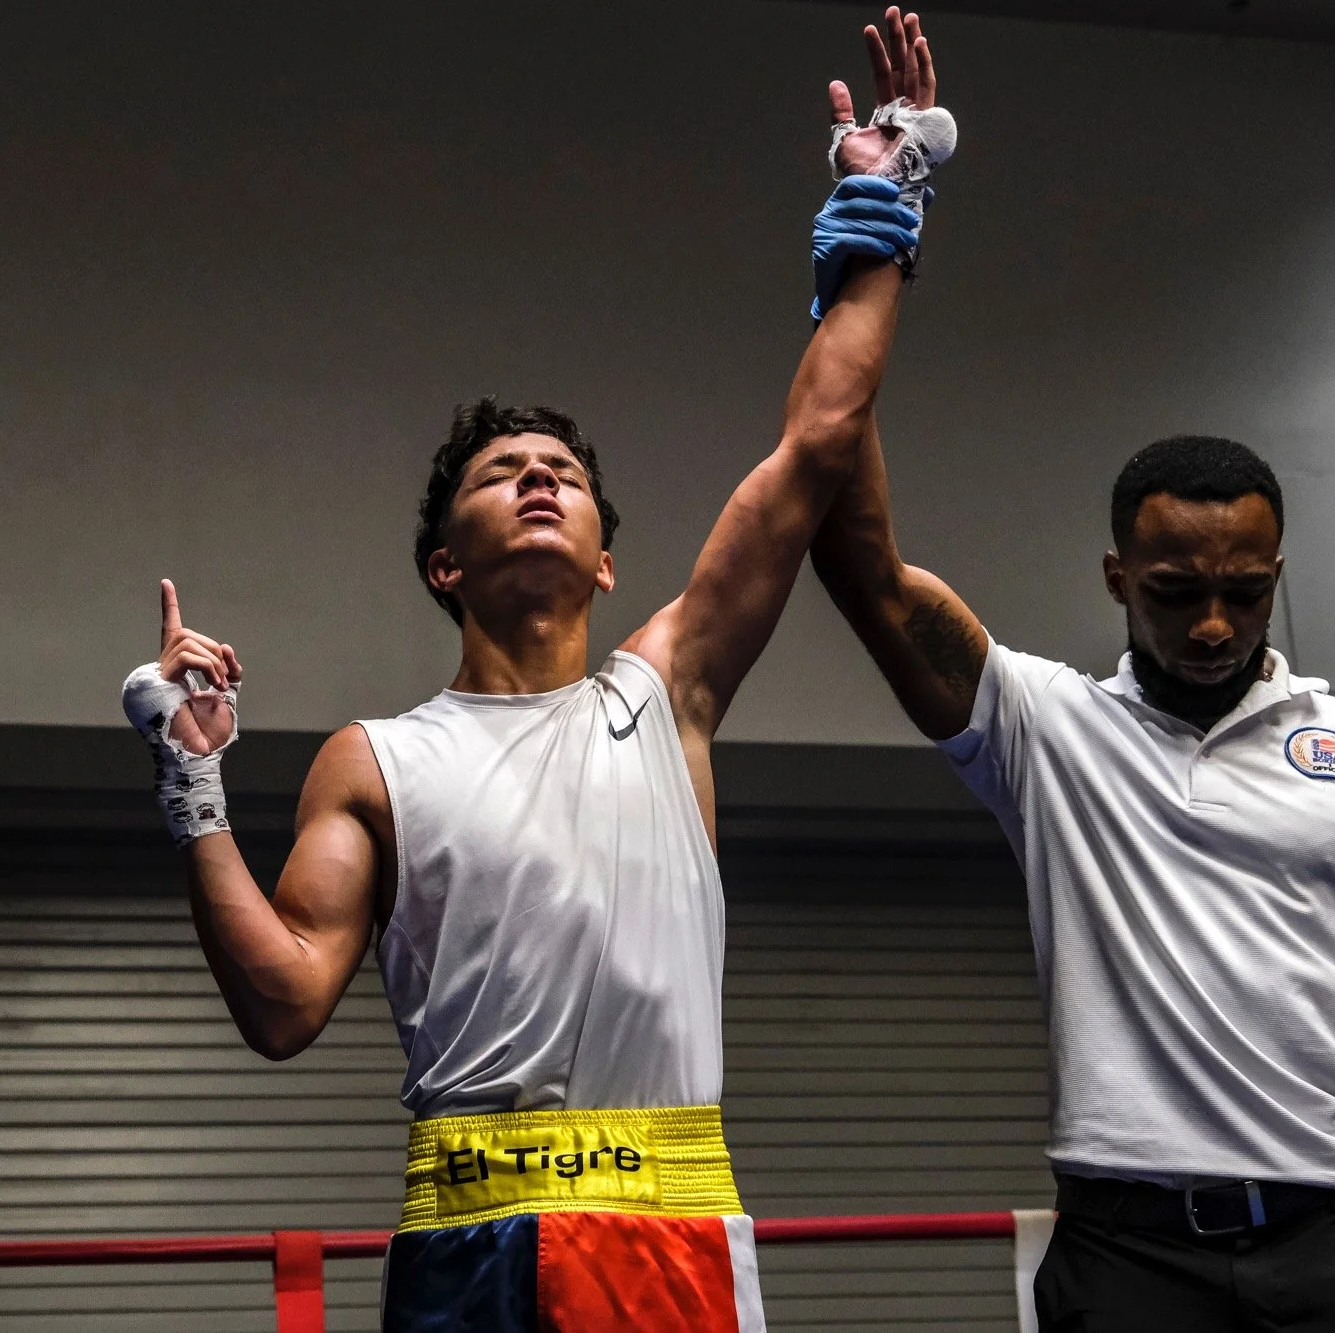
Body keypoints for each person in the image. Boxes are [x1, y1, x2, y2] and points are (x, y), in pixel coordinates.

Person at [117, 11, 953, 1328]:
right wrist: (193, 790)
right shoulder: (377, 758)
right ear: (444, 560)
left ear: (611, 561)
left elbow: (819, 439)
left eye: (562, 470)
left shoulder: (664, 686)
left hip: (670, 1235)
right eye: (500, 472)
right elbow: (281, 1007)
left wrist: (883, 200)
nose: (540, 476)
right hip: (468, 1246)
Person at [808, 416, 1335, 1328]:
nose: (1214, 624)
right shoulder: (1047, 726)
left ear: (1276, 576)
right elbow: (867, 573)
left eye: (1245, 591)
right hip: (1127, 1256)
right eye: (1175, 592)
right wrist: (865, 302)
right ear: (1118, 578)